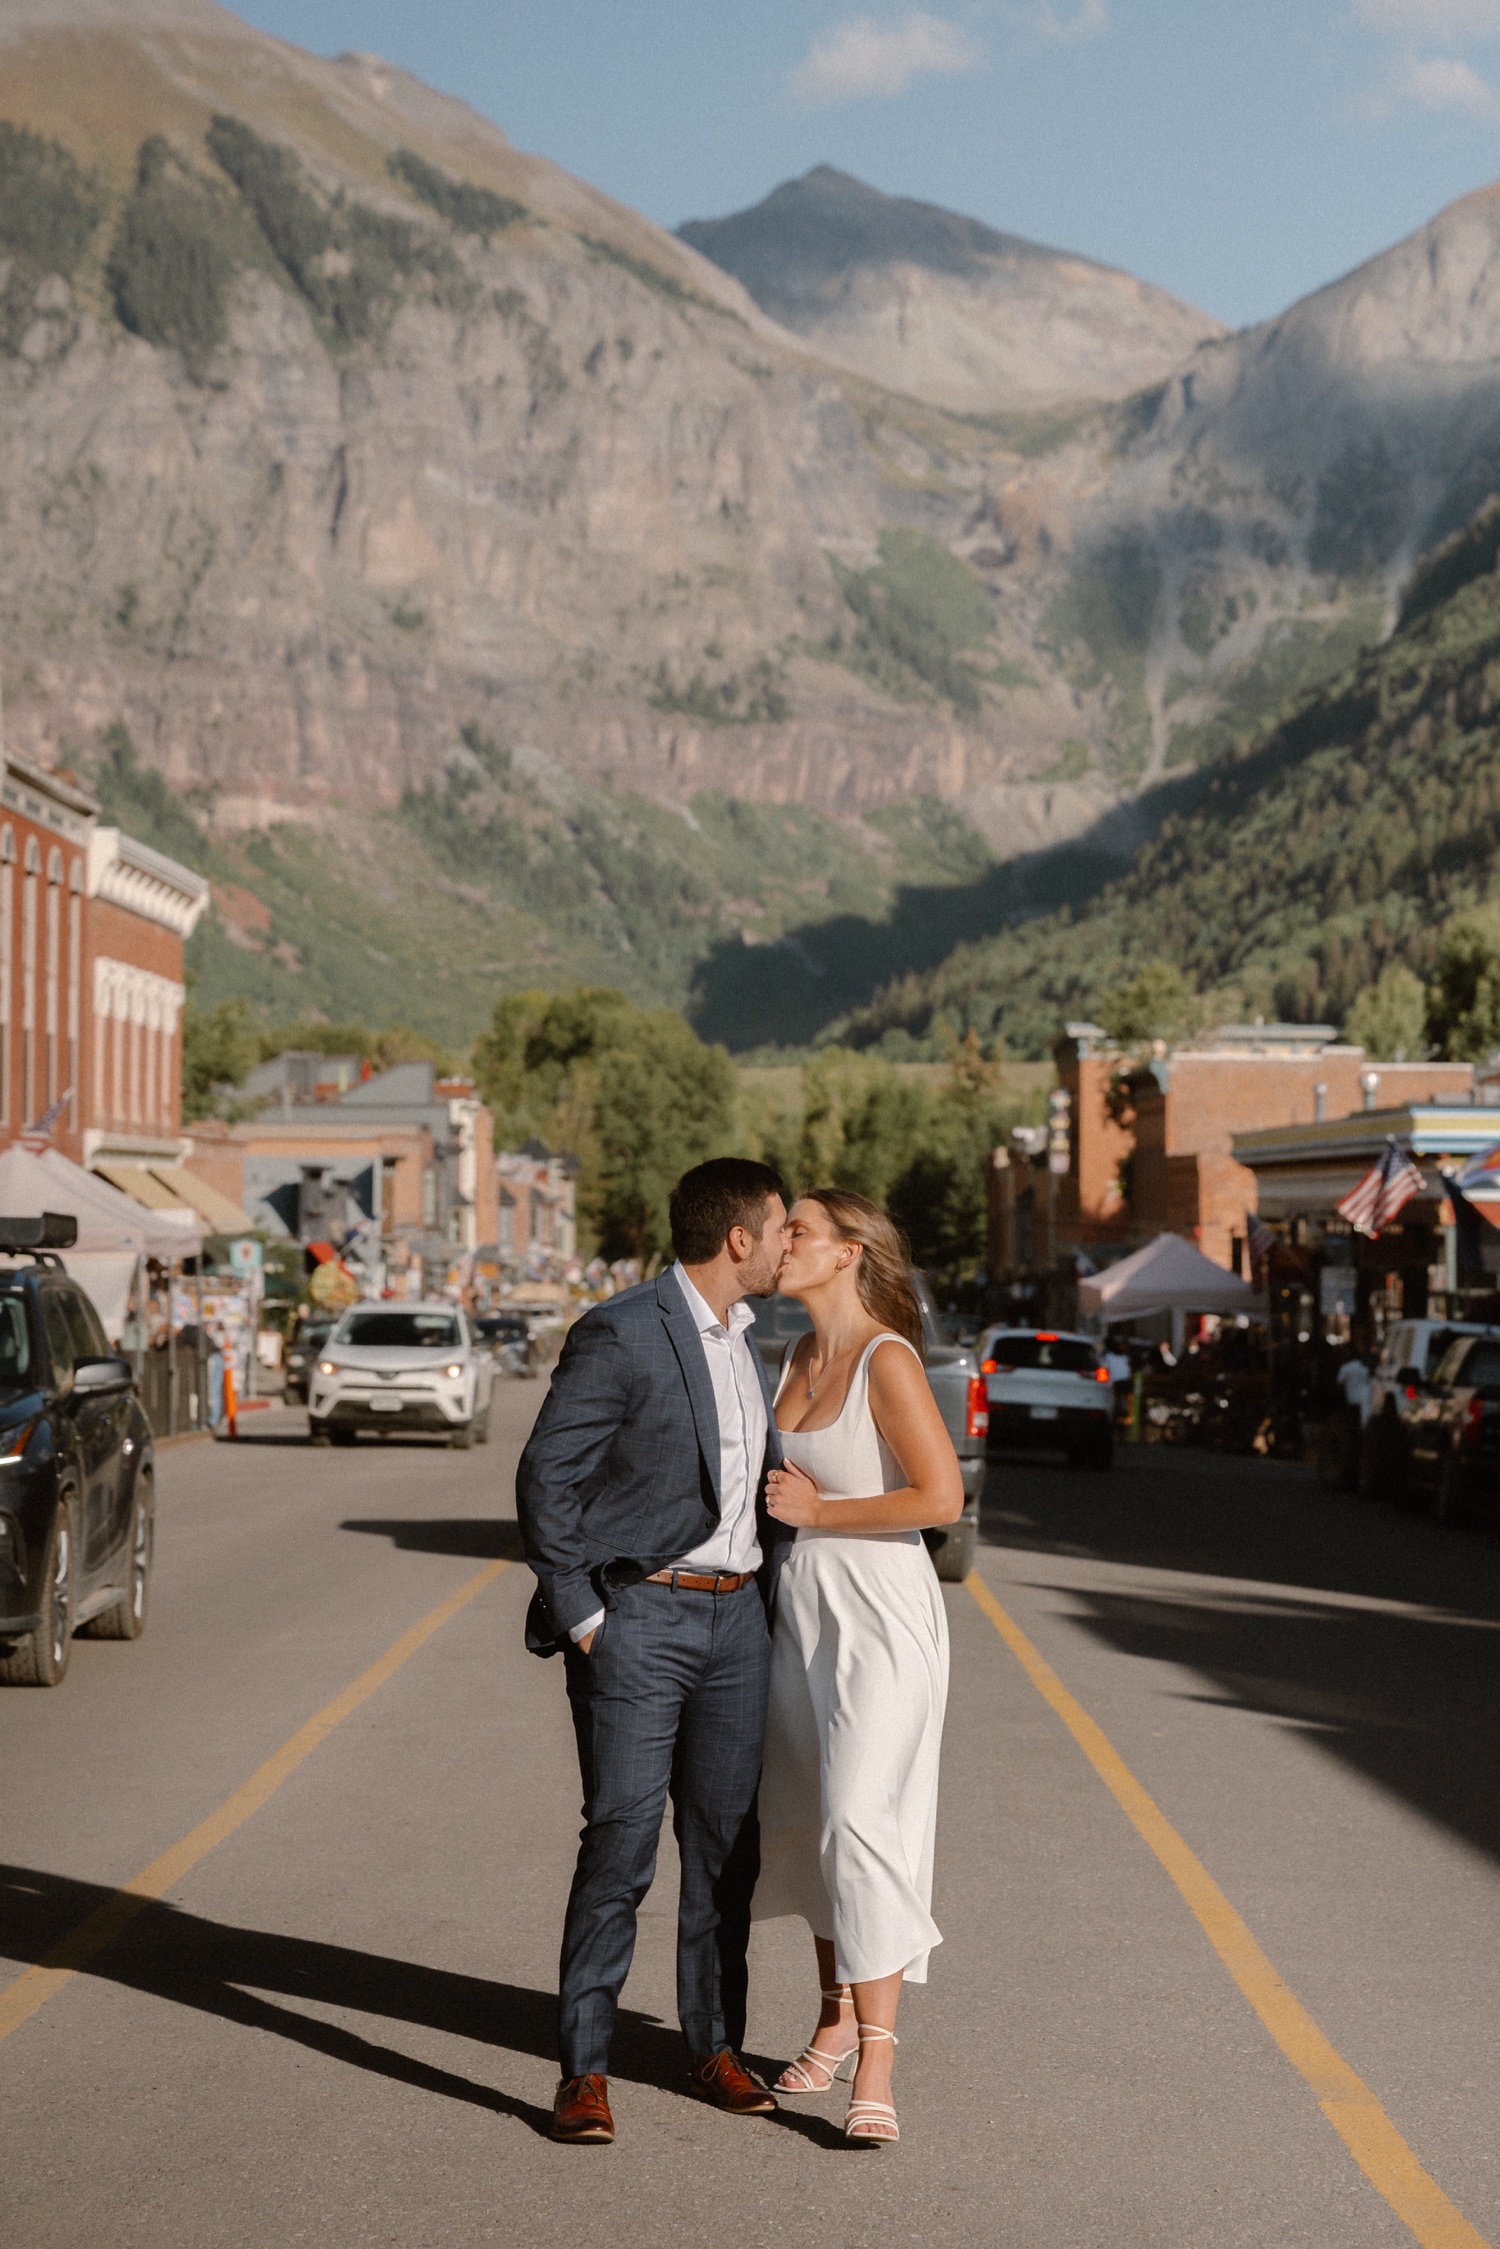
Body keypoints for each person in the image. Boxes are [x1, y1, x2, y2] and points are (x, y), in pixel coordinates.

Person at [515, 1157, 792, 2146]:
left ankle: (714, 2044)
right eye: (782, 1226)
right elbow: (547, 1471)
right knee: (623, 1841)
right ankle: (584, 2069)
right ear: (739, 1239)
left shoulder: (749, 1341)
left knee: (725, 1848)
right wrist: (586, 1611)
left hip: (737, 1623)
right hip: (641, 1618)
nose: (790, 1241)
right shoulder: (625, 1329)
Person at [754, 1189, 963, 2146]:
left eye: (798, 1229)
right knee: (808, 1817)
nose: (780, 1240)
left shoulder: (887, 1357)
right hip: (802, 1612)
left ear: (848, 1253)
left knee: (859, 1816)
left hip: (881, 1612)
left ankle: (877, 2051)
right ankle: (835, 2010)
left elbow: (941, 1496)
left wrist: (822, 1513)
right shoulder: (796, 1354)